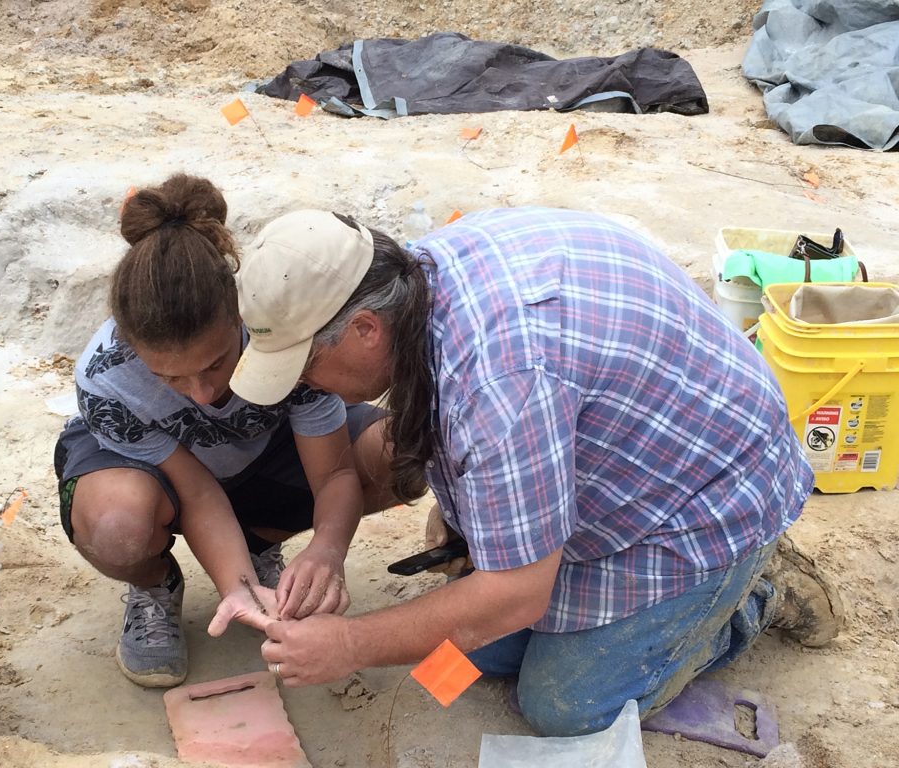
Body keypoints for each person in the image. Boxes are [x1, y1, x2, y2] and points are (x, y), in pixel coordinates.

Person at [228, 206, 845, 735]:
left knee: (563, 706)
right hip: (629, 460)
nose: (305, 384)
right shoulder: (416, 275)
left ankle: (753, 590)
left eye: (306, 367)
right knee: (478, 657)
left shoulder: (502, 379)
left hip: (706, 497)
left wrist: (350, 646)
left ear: (364, 329)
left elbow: (514, 595)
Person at [52, 175, 391, 689]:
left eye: (215, 364)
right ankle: (154, 584)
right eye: (168, 378)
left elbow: (334, 472)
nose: (202, 395)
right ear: (129, 345)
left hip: (257, 455)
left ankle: (258, 546)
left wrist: (327, 549)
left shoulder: (280, 337)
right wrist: (235, 589)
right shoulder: (106, 377)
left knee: (396, 451)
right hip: (159, 476)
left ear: (239, 320)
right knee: (117, 527)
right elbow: (196, 488)